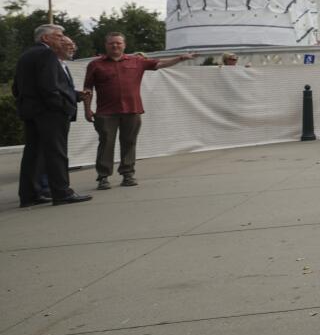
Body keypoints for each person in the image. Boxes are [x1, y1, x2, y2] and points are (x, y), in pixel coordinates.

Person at [82, 33, 195, 190]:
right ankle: (103, 176)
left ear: (124, 45)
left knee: (129, 143)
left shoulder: (137, 61)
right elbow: (87, 89)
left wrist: (180, 58)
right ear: (106, 45)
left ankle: (127, 174)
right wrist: (87, 109)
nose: (115, 46)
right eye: (111, 43)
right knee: (106, 143)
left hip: (132, 110)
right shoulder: (95, 65)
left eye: (118, 43)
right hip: (105, 112)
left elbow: (160, 63)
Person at [12, 25, 93, 207]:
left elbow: (16, 87)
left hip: (31, 111)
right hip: (50, 113)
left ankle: (29, 195)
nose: (63, 39)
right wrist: (60, 106)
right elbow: (48, 86)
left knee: (33, 154)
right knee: (56, 153)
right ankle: (62, 192)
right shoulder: (47, 55)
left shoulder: (26, 55)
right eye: (59, 36)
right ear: (46, 39)